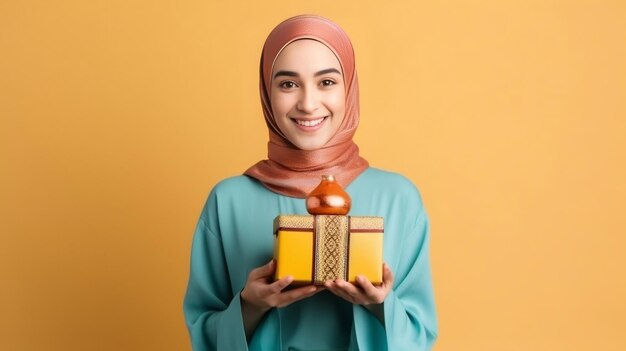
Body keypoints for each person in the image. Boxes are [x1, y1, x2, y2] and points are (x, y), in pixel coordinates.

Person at [183, 15, 437, 351]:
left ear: (349, 88)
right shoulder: (227, 201)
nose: (307, 103)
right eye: (288, 84)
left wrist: (378, 303)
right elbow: (204, 331)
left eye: (327, 82)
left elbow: (420, 333)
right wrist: (250, 305)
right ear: (266, 92)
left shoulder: (399, 198)